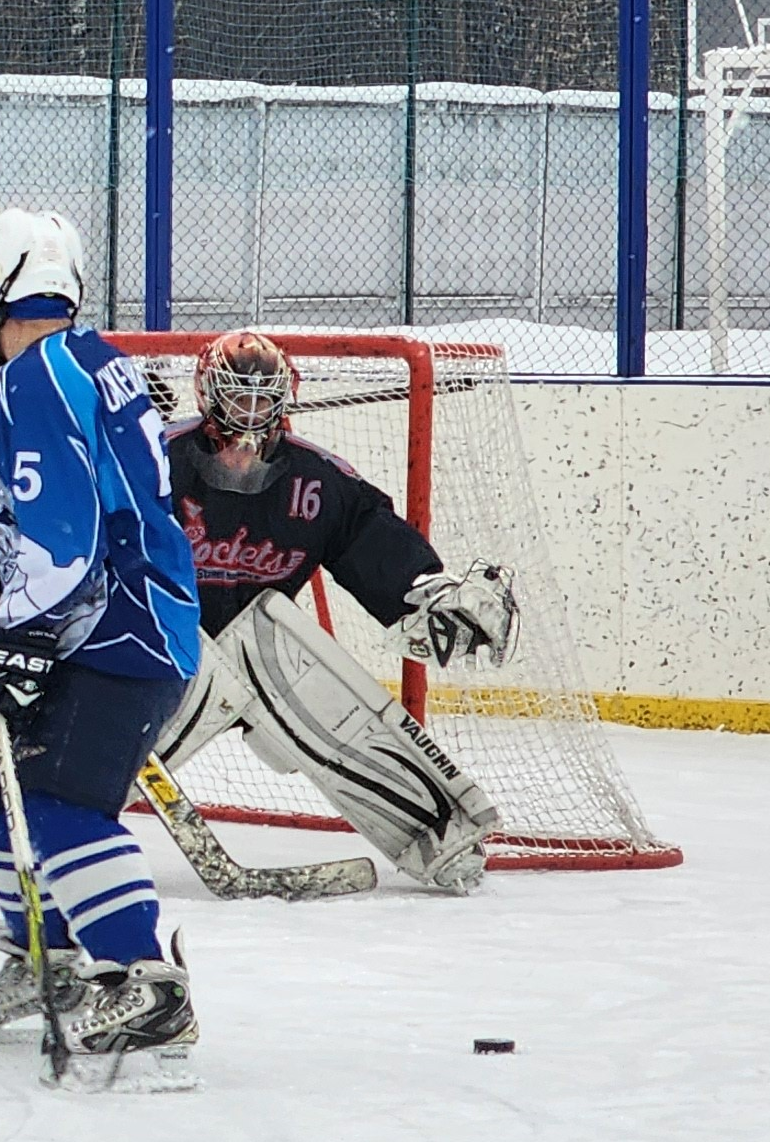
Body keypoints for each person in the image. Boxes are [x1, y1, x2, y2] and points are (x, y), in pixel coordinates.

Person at [0, 209, 205, 1081]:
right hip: (120, 615)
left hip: (110, 624)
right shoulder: (90, 361)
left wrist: (22, 638)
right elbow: (79, 482)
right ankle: (41, 959)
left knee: (59, 799)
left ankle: (142, 981)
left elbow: (66, 531)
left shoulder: (24, 380)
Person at [152, 328, 517, 891]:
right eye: (237, 395)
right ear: (208, 395)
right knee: (104, 736)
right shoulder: (154, 457)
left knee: (321, 685)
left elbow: (371, 540)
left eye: (263, 396)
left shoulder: (318, 481)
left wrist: (426, 591)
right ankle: (9, 831)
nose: (251, 411)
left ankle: (437, 832)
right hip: (166, 648)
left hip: (262, 654)